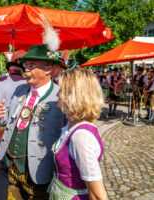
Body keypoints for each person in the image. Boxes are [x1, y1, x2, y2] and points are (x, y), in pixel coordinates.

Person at [0, 44, 66, 199]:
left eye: (31, 65)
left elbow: (66, 140)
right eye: (25, 64)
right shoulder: (19, 90)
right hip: (12, 167)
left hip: (40, 172)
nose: (26, 69)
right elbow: (8, 121)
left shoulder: (62, 96)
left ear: (48, 69)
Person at [48, 68, 107, 200]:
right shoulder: (72, 126)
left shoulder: (81, 137)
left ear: (73, 95)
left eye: (61, 90)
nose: (57, 94)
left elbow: (98, 195)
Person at [0, 50, 27, 122]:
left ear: (9, 70)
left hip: (2, 124)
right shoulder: (28, 83)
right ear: (22, 70)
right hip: (21, 124)